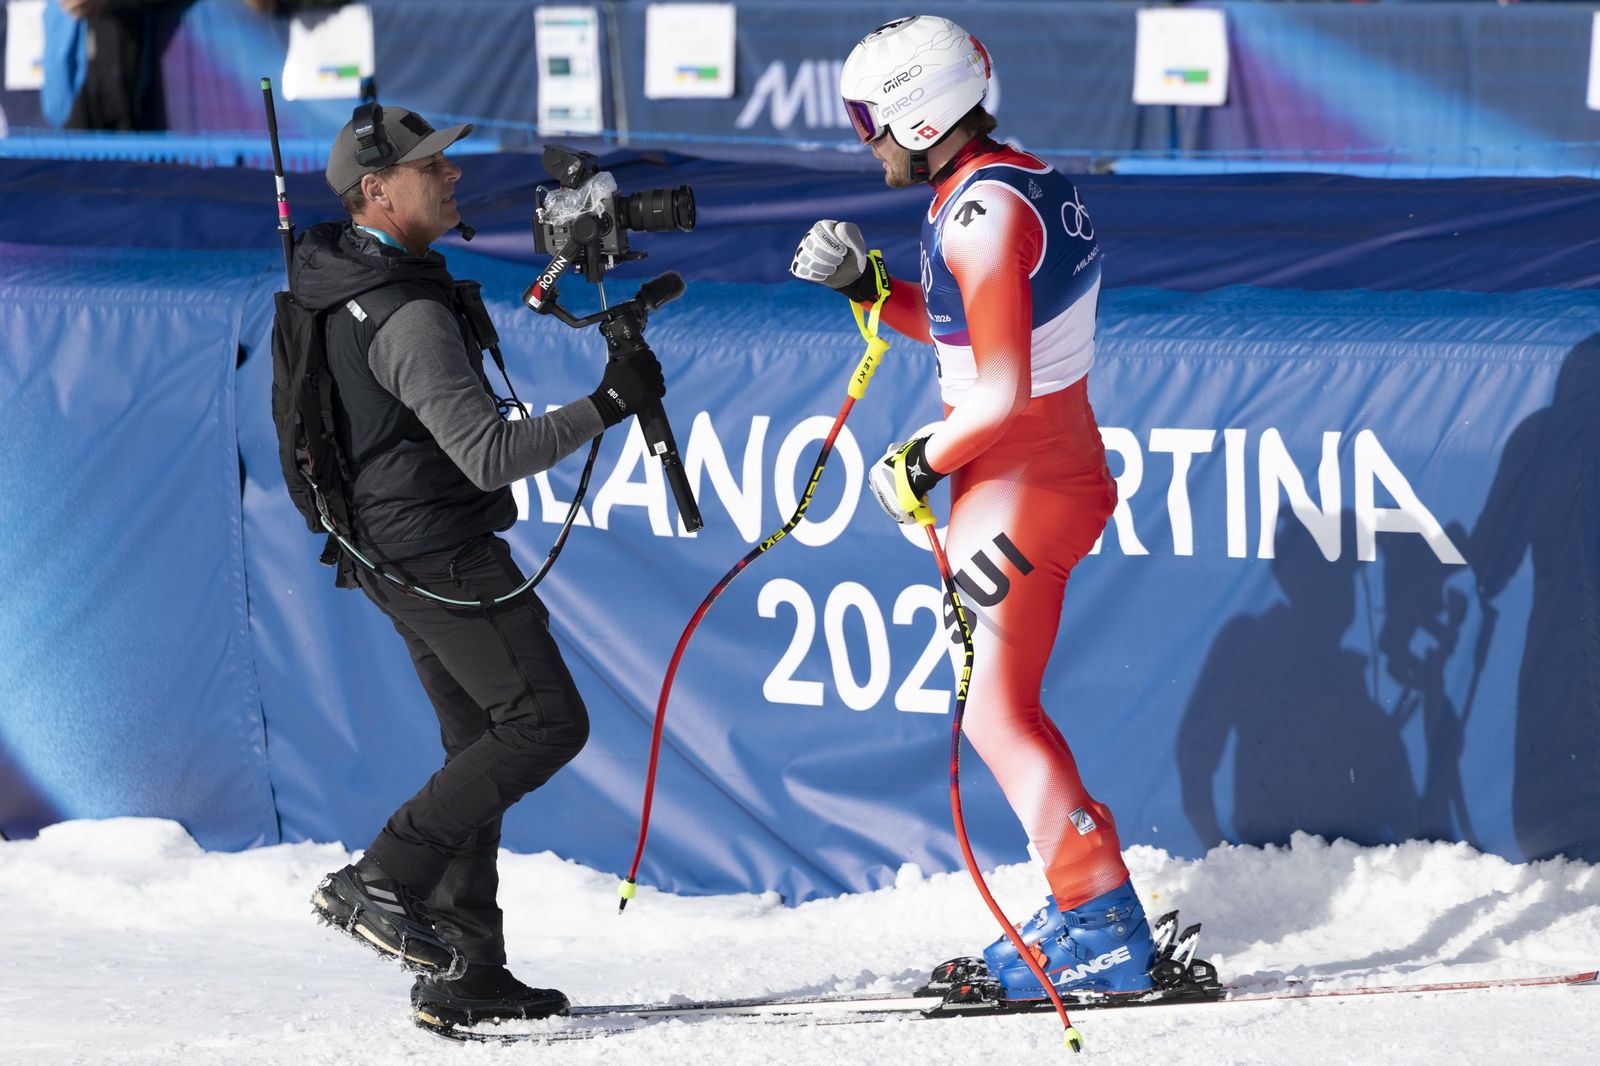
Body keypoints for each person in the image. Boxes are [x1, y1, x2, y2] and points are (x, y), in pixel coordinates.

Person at [791, 15, 1154, 1002]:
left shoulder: (978, 215)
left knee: (997, 714)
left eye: (869, 121)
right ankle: (1090, 907)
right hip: (1038, 468)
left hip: (1018, 479)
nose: (864, 142)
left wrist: (917, 461)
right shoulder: (1007, 184)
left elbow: (996, 391)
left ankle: (1101, 925)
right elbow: (966, 332)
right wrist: (869, 285)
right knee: (1003, 708)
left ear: (918, 117)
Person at [295, 104, 664, 1027]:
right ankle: (383, 876)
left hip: (388, 546)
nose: (451, 174)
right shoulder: (407, 312)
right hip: (439, 551)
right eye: (430, 167)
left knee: (480, 746)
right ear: (376, 191)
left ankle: (467, 966)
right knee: (543, 723)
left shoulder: (346, 277)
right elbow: (490, 456)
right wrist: (608, 402)